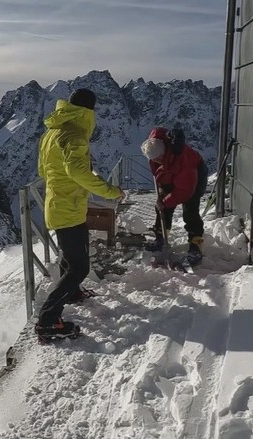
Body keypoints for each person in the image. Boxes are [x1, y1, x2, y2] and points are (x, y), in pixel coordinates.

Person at [35, 88, 125, 339]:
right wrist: (110, 191)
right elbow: (78, 173)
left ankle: (73, 293)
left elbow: (43, 171)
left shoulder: (52, 132)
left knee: (72, 252)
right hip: (68, 208)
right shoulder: (75, 135)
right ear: (89, 111)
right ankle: (48, 320)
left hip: (57, 203)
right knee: (79, 267)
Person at [140, 126, 208, 267]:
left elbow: (184, 191)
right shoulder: (156, 151)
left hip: (193, 178)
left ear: (164, 151)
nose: (155, 161)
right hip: (170, 172)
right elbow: (158, 169)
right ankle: (161, 238)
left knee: (190, 211)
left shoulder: (184, 160)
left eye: (157, 158)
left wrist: (165, 201)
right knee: (161, 209)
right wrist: (162, 196)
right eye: (153, 159)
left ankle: (196, 247)